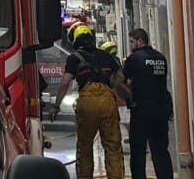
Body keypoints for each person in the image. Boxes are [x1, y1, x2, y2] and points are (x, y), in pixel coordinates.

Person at [50, 23, 125, 179]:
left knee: (85, 147)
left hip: (87, 101)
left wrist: (56, 106)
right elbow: (120, 77)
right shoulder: (107, 56)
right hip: (107, 100)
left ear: (75, 40)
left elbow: (65, 83)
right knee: (112, 147)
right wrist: (111, 86)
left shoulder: (74, 58)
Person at [123, 28, 174, 179]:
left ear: (140, 41)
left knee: (138, 152)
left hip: (141, 112)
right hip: (160, 111)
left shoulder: (134, 58)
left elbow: (121, 79)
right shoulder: (160, 58)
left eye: (132, 42)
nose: (131, 45)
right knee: (160, 151)